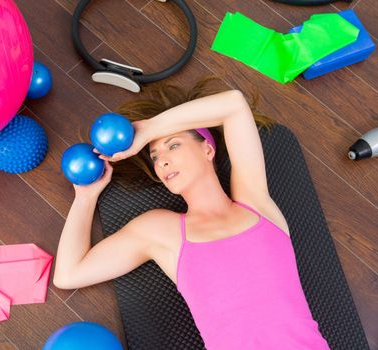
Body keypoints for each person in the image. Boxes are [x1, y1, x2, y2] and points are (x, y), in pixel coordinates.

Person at [53, 76, 330, 349]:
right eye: (155, 155)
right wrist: (86, 197)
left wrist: (148, 131)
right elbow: (69, 274)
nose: (162, 159)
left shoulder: (256, 204)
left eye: (173, 145)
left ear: (207, 148)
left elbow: (233, 105)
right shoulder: (162, 231)